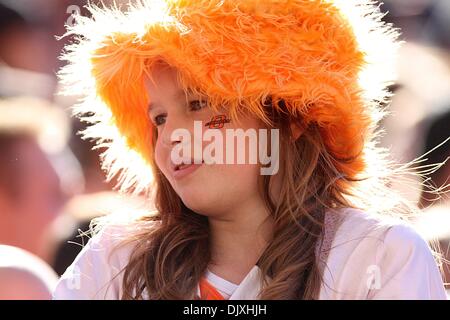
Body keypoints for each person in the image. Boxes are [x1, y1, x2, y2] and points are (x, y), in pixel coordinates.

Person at [53, 0, 447, 299]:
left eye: (198, 104)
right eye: (158, 119)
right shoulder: (117, 259)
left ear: (292, 117)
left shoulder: (380, 255)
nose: (172, 135)